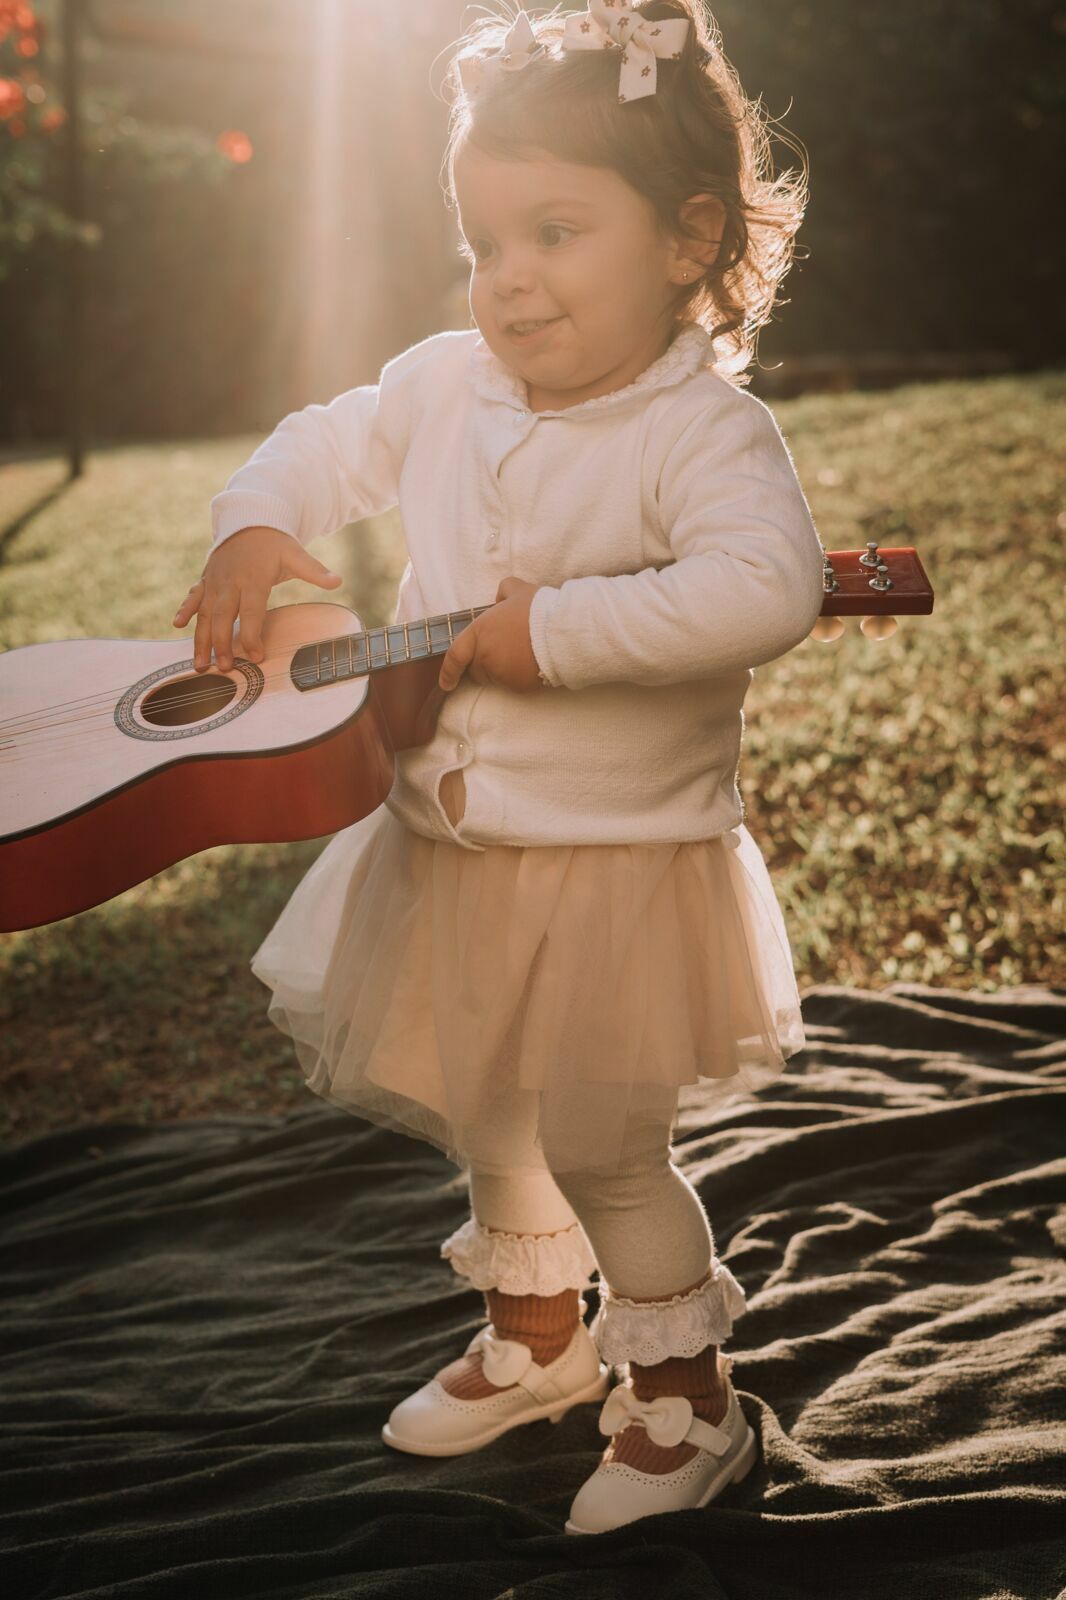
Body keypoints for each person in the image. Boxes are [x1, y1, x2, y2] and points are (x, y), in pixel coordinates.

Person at [171, 0, 824, 1535]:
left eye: (551, 231)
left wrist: (547, 635)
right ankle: (534, 1342)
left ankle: (688, 1398)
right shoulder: (443, 382)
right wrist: (255, 523)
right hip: (453, 847)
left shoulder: (701, 433)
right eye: (481, 241)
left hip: (616, 863)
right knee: (491, 1112)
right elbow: (318, 444)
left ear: (685, 241)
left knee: (602, 1135)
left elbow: (762, 591)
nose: (508, 279)